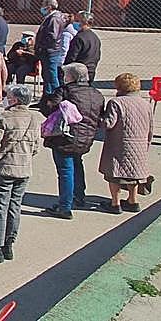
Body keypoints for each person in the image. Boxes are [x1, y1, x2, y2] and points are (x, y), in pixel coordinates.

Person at [0, 84, 41, 263]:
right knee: (15, 206)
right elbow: (36, 147)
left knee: (0, 207)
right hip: (24, 169)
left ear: (14, 100)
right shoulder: (34, 119)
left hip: (3, 169)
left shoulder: (4, 118)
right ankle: (9, 245)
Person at [40, 63, 105, 219]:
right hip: (86, 137)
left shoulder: (65, 91)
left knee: (65, 170)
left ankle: (65, 206)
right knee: (77, 163)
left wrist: (46, 101)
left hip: (66, 137)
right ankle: (79, 196)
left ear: (71, 76)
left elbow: (49, 108)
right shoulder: (96, 93)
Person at [98, 73, 154, 214]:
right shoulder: (146, 104)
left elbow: (109, 123)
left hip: (120, 144)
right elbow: (150, 127)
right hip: (139, 143)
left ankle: (115, 203)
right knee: (134, 175)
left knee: (115, 175)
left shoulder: (116, 103)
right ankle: (132, 201)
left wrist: (96, 118)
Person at [35, 0, 66, 95]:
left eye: (43, 6)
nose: (42, 8)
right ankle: (47, 97)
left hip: (51, 52)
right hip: (48, 51)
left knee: (52, 76)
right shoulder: (50, 17)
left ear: (49, 7)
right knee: (47, 76)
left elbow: (53, 36)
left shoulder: (54, 18)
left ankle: (56, 96)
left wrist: (42, 45)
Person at [64, 11, 101, 83]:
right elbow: (97, 56)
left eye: (77, 21)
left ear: (85, 22)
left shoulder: (79, 37)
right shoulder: (95, 37)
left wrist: (65, 67)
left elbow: (72, 56)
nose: (74, 23)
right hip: (91, 70)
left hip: (78, 71)